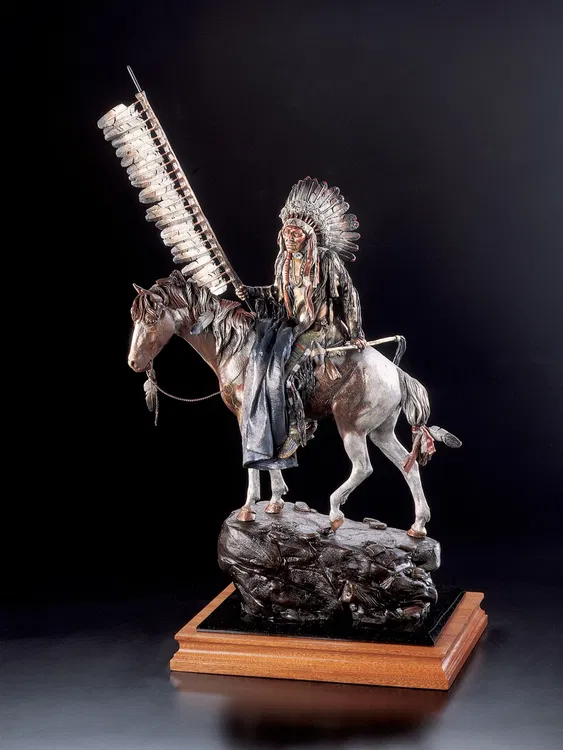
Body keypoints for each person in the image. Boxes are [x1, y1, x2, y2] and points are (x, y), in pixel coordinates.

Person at [236, 177, 367, 463]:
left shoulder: (326, 260)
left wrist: (356, 332)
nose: (289, 238)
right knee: (263, 359)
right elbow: (276, 293)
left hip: (322, 328)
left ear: (308, 236)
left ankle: (297, 428)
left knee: (286, 371)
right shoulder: (283, 261)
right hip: (293, 326)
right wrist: (251, 292)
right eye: (286, 233)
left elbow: (348, 294)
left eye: (295, 233)